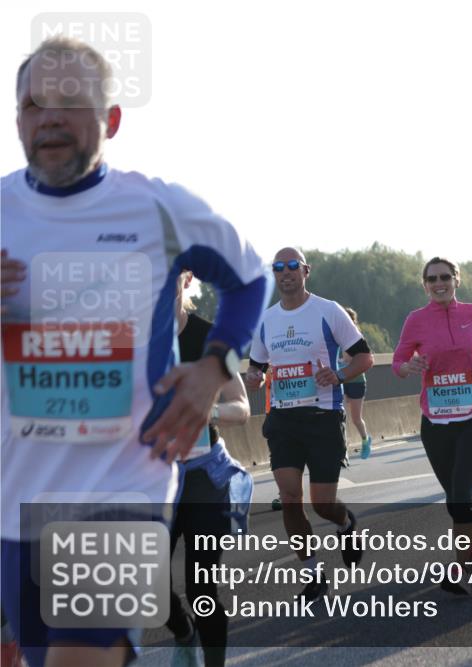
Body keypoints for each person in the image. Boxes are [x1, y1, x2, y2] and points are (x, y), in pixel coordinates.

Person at [1, 37, 269, 667]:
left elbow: (248, 279)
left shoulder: (157, 208)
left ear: (111, 119)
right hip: (17, 500)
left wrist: (215, 367)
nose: (52, 117)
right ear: (18, 119)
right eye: (35, 103)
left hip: (123, 488)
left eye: (72, 101)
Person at [246, 248, 373, 602]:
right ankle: (313, 575)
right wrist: (254, 376)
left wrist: (340, 374)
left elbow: (364, 356)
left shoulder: (327, 310)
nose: (285, 273)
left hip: (322, 418)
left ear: (305, 271)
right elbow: (257, 366)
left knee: (321, 504)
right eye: (278, 268)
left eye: (292, 267)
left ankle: (346, 524)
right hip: (283, 419)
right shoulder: (267, 320)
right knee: (289, 499)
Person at [392, 257, 472, 592]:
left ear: (457, 280)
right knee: (454, 497)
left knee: (459, 495)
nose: (438, 283)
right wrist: (408, 367)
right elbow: (397, 361)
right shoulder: (416, 320)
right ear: (425, 285)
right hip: (435, 423)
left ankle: (464, 569)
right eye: (431, 279)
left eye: (445, 277)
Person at [168, 272, 254, 667]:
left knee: (201, 586)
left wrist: (209, 410)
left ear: (185, 280)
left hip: (203, 474)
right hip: (151, 477)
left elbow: (242, 405)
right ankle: (183, 632)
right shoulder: (126, 339)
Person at [339, 307, 373, 459]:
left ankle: (365, 440)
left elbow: (354, 359)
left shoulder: (356, 337)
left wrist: (342, 361)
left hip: (357, 381)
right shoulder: (336, 336)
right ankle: (342, 447)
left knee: (356, 418)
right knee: (341, 415)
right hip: (341, 379)